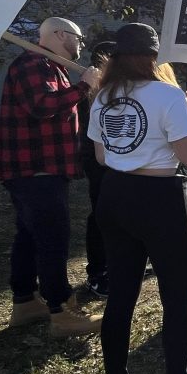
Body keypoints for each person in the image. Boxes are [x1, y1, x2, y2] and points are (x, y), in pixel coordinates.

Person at [87, 23, 187, 374]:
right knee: (175, 297)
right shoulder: (168, 95)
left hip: (114, 194)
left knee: (121, 295)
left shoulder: (102, 95)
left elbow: (101, 155)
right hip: (160, 198)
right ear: (154, 56)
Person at [0, 16, 103, 338]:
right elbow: (41, 106)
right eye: (78, 38)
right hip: (35, 170)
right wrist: (83, 84)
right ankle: (61, 311)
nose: (81, 45)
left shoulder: (51, 67)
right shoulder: (33, 63)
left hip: (41, 170)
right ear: (59, 34)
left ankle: (25, 302)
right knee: (52, 239)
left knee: (29, 236)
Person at [78, 40, 116, 298]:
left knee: (119, 216)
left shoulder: (113, 88)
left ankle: (115, 264)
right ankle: (97, 272)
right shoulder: (92, 90)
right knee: (101, 215)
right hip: (97, 160)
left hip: (119, 162)